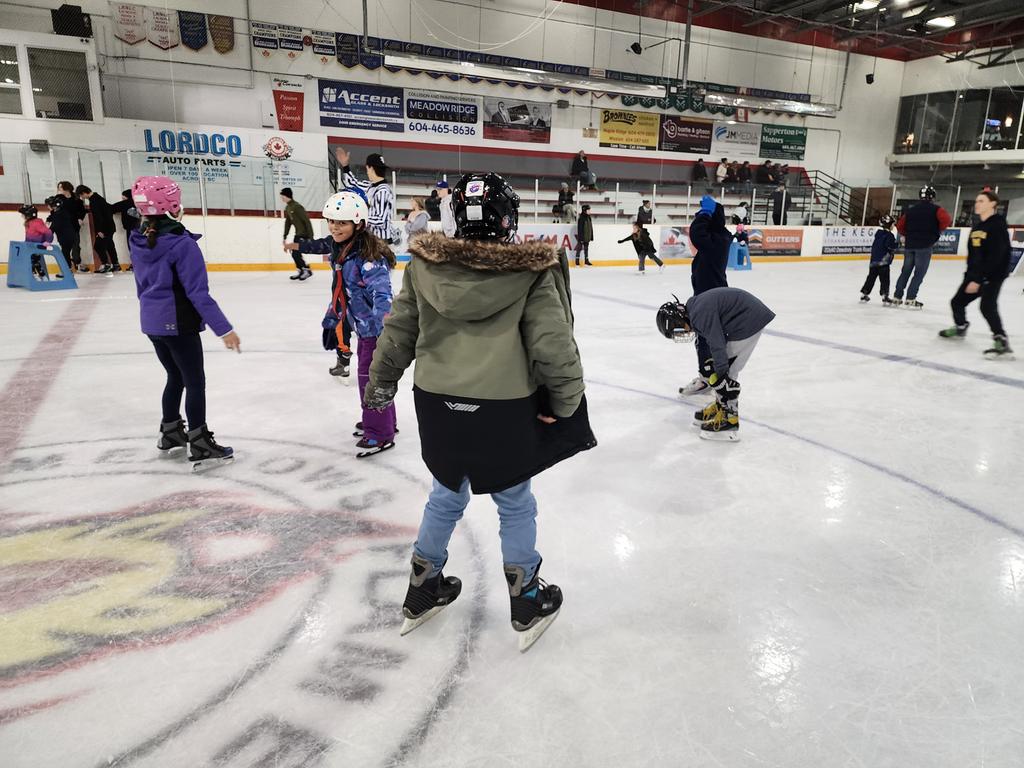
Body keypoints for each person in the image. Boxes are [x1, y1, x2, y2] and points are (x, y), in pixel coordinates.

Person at [362, 171, 594, 652]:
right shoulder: (532, 270)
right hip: (503, 408)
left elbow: (399, 330)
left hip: (437, 403)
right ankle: (526, 595)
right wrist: (566, 405)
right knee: (514, 500)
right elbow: (553, 346)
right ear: (507, 218)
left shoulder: (423, 266)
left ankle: (422, 585)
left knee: (446, 491)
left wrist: (381, 382)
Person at [129, 175, 240, 472]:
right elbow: (198, 295)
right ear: (172, 205)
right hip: (177, 323)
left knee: (174, 377)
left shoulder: (138, 238)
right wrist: (225, 329)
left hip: (152, 322)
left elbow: (141, 286)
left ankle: (170, 432)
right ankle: (200, 442)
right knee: (194, 381)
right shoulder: (182, 245)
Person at [286, 191, 398, 457]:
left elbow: (382, 294)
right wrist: (296, 247)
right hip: (360, 324)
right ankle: (383, 422)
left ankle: (380, 434)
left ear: (358, 224)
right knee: (372, 379)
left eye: (342, 222)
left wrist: (384, 328)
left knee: (370, 380)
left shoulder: (367, 256)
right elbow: (321, 246)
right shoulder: (342, 247)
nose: (335, 227)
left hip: (375, 329)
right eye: (332, 221)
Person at [657, 287, 775, 441]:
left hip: (748, 322)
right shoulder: (695, 310)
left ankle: (729, 420)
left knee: (727, 375)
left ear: (680, 319)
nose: (681, 334)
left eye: (678, 329)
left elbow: (717, 342)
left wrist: (721, 373)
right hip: (745, 318)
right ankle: (721, 406)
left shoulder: (699, 314)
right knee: (721, 369)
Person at [938, 190, 1012, 358]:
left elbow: (997, 255)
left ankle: (1001, 340)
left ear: (993, 204)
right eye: (976, 201)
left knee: (987, 307)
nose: (977, 204)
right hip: (975, 275)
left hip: (993, 276)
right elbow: (974, 255)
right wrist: (970, 276)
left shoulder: (997, 225)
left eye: (981, 201)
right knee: (957, 302)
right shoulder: (977, 227)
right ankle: (961, 326)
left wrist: (980, 279)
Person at [679, 195, 731, 396]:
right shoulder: (720, 237)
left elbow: (697, 234)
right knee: (709, 340)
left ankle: (708, 379)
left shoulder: (717, 240)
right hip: (710, 295)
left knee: (705, 340)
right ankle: (711, 377)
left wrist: (704, 213)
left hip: (710, 298)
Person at [893, 185, 952, 309]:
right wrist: (937, 231)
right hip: (924, 246)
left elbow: (900, 225)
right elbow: (946, 220)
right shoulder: (937, 210)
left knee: (905, 271)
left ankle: (897, 297)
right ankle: (910, 298)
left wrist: (906, 234)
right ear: (933, 197)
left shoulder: (911, 210)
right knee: (919, 273)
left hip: (910, 246)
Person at [334, 146, 397, 244]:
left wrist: (359, 217)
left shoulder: (383, 191)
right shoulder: (370, 186)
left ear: (369, 167)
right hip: (372, 241)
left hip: (381, 242)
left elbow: (380, 219)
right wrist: (345, 166)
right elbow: (353, 183)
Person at [77, 185, 122, 274]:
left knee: (98, 246)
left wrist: (100, 230)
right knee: (109, 246)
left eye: (81, 195)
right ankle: (116, 265)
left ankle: (106, 265)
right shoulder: (98, 198)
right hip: (109, 226)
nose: (82, 198)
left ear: (84, 193)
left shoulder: (94, 201)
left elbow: (99, 217)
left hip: (105, 228)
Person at [48, 181, 86, 272]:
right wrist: (50, 219)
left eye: (60, 187)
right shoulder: (58, 198)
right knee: (65, 247)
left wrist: (80, 218)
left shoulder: (76, 198)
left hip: (74, 225)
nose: (59, 189)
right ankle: (67, 266)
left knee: (76, 245)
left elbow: (82, 210)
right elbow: (54, 211)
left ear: (66, 188)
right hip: (63, 226)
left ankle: (77, 263)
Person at [859, 215, 897, 305]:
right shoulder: (890, 235)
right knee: (885, 280)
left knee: (871, 278)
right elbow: (889, 246)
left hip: (873, 262)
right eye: (892, 224)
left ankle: (864, 293)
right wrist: (897, 245)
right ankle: (885, 296)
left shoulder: (878, 234)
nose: (893, 226)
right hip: (883, 263)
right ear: (888, 225)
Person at [279, 187, 313, 281]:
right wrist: (284, 236)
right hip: (298, 234)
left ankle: (306, 270)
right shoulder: (288, 207)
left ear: (286, 196)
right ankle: (301, 270)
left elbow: (307, 221)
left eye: (282, 196)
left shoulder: (297, 207)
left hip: (304, 234)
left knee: (296, 253)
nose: (281, 198)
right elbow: (288, 223)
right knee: (294, 253)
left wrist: (311, 237)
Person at [19, 204, 56, 279]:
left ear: (28, 215)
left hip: (38, 246)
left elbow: (48, 232)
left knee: (33, 260)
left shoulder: (36, 223)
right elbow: (29, 236)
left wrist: (48, 241)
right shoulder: (29, 223)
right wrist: (26, 243)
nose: (21, 216)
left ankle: (36, 275)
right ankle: (40, 275)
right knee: (34, 261)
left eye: (23, 214)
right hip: (31, 246)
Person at [111, 189, 141, 271]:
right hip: (140, 228)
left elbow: (112, 208)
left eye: (123, 198)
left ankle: (135, 264)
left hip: (131, 228)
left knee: (132, 246)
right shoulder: (138, 203)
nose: (122, 199)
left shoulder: (125, 203)